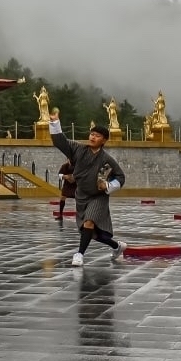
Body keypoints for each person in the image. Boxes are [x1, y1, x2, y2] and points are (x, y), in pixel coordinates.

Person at [49, 111, 127, 266]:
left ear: (104, 140)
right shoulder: (78, 150)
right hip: (81, 195)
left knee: (89, 222)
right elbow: (61, 143)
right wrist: (55, 123)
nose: (92, 137)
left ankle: (79, 254)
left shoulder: (107, 159)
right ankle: (117, 246)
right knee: (94, 234)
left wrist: (108, 186)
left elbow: (120, 177)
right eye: (91, 134)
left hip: (98, 197)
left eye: (97, 135)